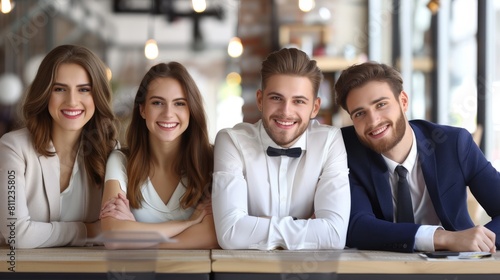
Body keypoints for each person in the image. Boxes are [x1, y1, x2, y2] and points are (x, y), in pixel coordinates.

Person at [334, 61, 500, 253]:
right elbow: (357, 226)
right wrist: (443, 238)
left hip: (455, 269)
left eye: (381, 104)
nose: (373, 121)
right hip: (385, 269)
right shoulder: (345, 151)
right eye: (360, 113)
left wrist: (478, 241)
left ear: (403, 101)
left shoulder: (453, 144)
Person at [212, 48, 350, 250]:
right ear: (260, 100)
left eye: (299, 101)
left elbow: (334, 236)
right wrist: (305, 226)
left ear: (315, 107)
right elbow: (231, 234)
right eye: (276, 98)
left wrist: (257, 225)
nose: (286, 111)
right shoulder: (232, 141)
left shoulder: (329, 141)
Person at [0, 45, 118, 248]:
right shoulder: (13, 148)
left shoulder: (110, 150)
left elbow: (116, 229)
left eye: (84, 89)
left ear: (97, 96)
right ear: (45, 93)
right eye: (60, 89)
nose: (72, 101)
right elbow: (15, 233)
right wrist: (89, 230)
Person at [100, 62, 218, 249]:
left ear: (191, 110)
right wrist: (188, 224)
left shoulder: (213, 160)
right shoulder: (120, 161)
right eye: (157, 103)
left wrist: (135, 239)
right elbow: (113, 236)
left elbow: (212, 235)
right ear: (142, 109)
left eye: (179, 103)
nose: (168, 113)